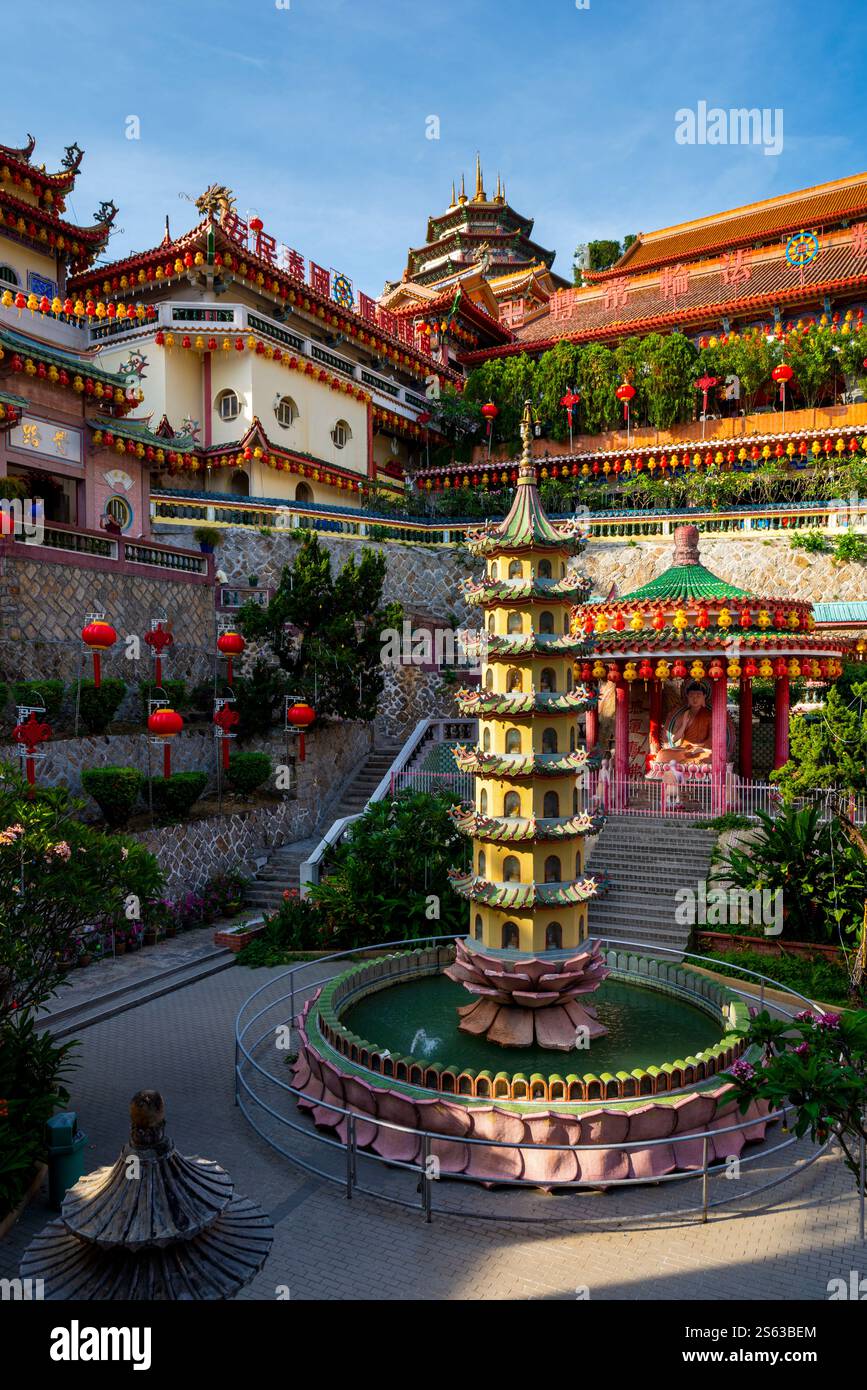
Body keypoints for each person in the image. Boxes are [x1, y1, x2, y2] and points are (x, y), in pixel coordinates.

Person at [650, 682, 713, 770]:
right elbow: (674, 739)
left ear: (704, 696)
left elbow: (712, 738)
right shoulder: (684, 714)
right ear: (687, 697)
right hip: (685, 749)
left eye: (698, 696)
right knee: (662, 754)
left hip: (702, 749)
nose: (695, 699)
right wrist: (684, 724)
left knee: (711, 755)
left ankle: (686, 765)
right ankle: (690, 766)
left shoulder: (709, 715)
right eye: (691, 696)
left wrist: (700, 746)